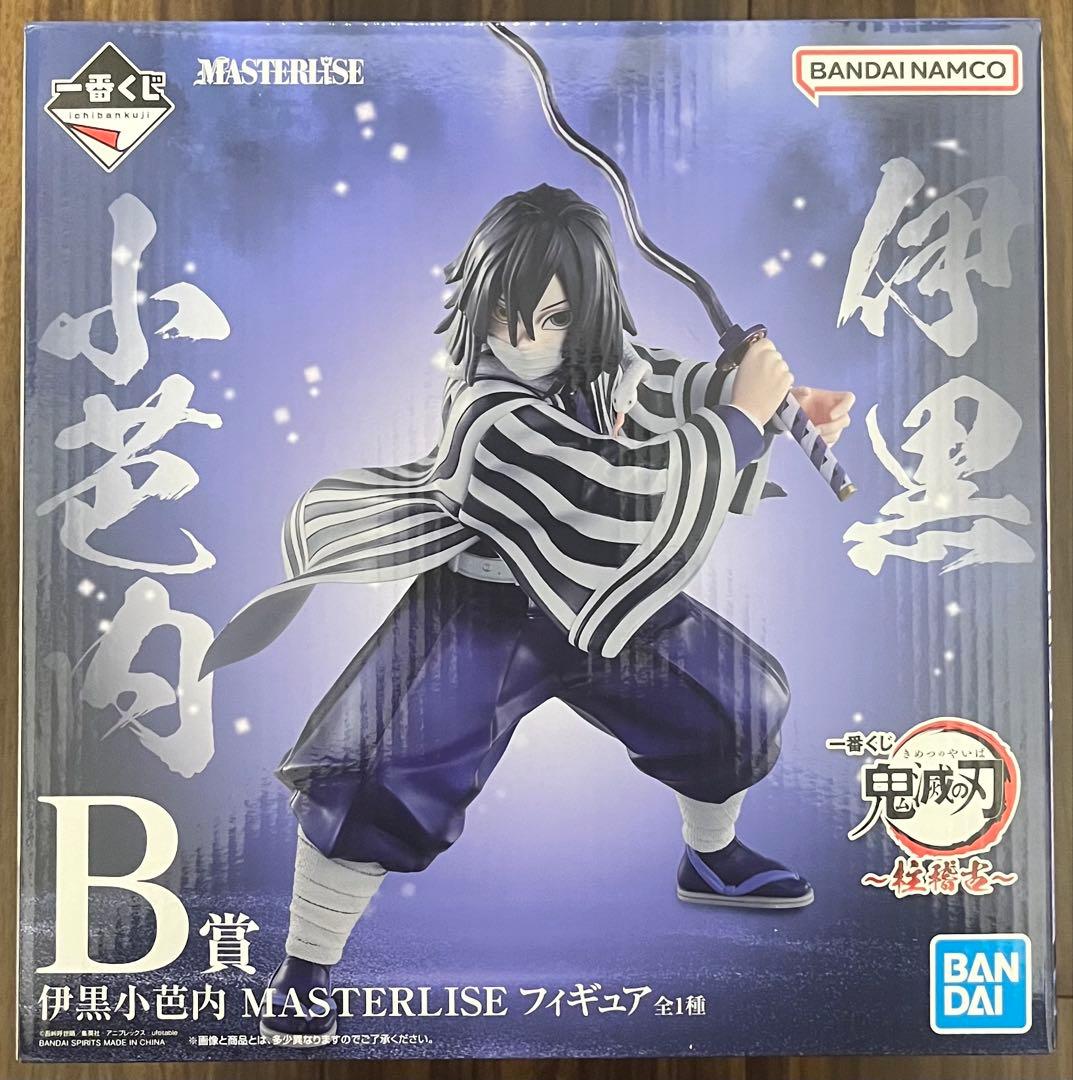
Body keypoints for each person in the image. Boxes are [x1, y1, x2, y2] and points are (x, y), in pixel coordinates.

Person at [203, 184, 854, 1043]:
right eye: (505, 313)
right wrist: (740, 419)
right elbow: (612, 493)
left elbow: (669, 387)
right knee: (379, 777)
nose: (521, 339)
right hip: (483, 606)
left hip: (598, 599)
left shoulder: (604, 361)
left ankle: (710, 858)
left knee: (733, 704)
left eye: (552, 318)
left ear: (588, 313)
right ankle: (305, 965)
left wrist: (770, 404)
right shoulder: (486, 415)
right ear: (478, 299)